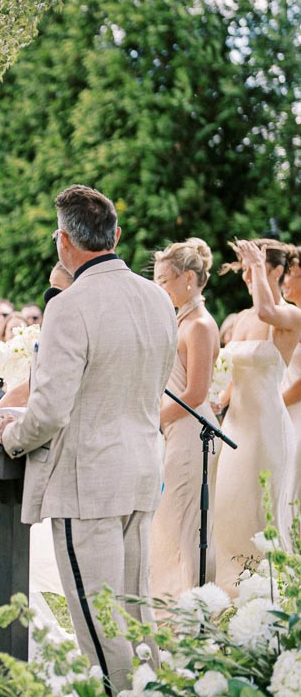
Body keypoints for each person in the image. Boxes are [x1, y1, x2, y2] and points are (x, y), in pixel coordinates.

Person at [0, 186, 176, 697]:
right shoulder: (159, 298)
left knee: (99, 620)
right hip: (141, 470)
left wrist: (11, 434)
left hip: (88, 479)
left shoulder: (70, 306)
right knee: (134, 613)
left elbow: (48, 412)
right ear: (115, 235)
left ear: (64, 243)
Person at [213, 240, 301, 589]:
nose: (248, 274)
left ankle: (264, 590)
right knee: (229, 506)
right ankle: (229, 587)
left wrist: (257, 261)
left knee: (257, 509)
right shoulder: (245, 317)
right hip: (235, 425)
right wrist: (220, 399)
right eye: (246, 268)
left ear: (276, 271)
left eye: (257, 267)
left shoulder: (289, 315)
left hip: (266, 427)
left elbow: (267, 309)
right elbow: (234, 371)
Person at [150, 239, 221, 598]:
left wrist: (155, 418)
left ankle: (183, 602)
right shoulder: (181, 321)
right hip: (174, 429)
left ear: (188, 278)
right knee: (169, 518)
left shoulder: (200, 326)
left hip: (192, 432)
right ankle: (166, 598)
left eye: (164, 279)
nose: (159, 287)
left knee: (183, 520)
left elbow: (196, 393)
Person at [282, 248, 301, 507]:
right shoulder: (292, 318)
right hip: (287, 409)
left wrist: (274, 403)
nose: (284, 281)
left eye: (290, 275)